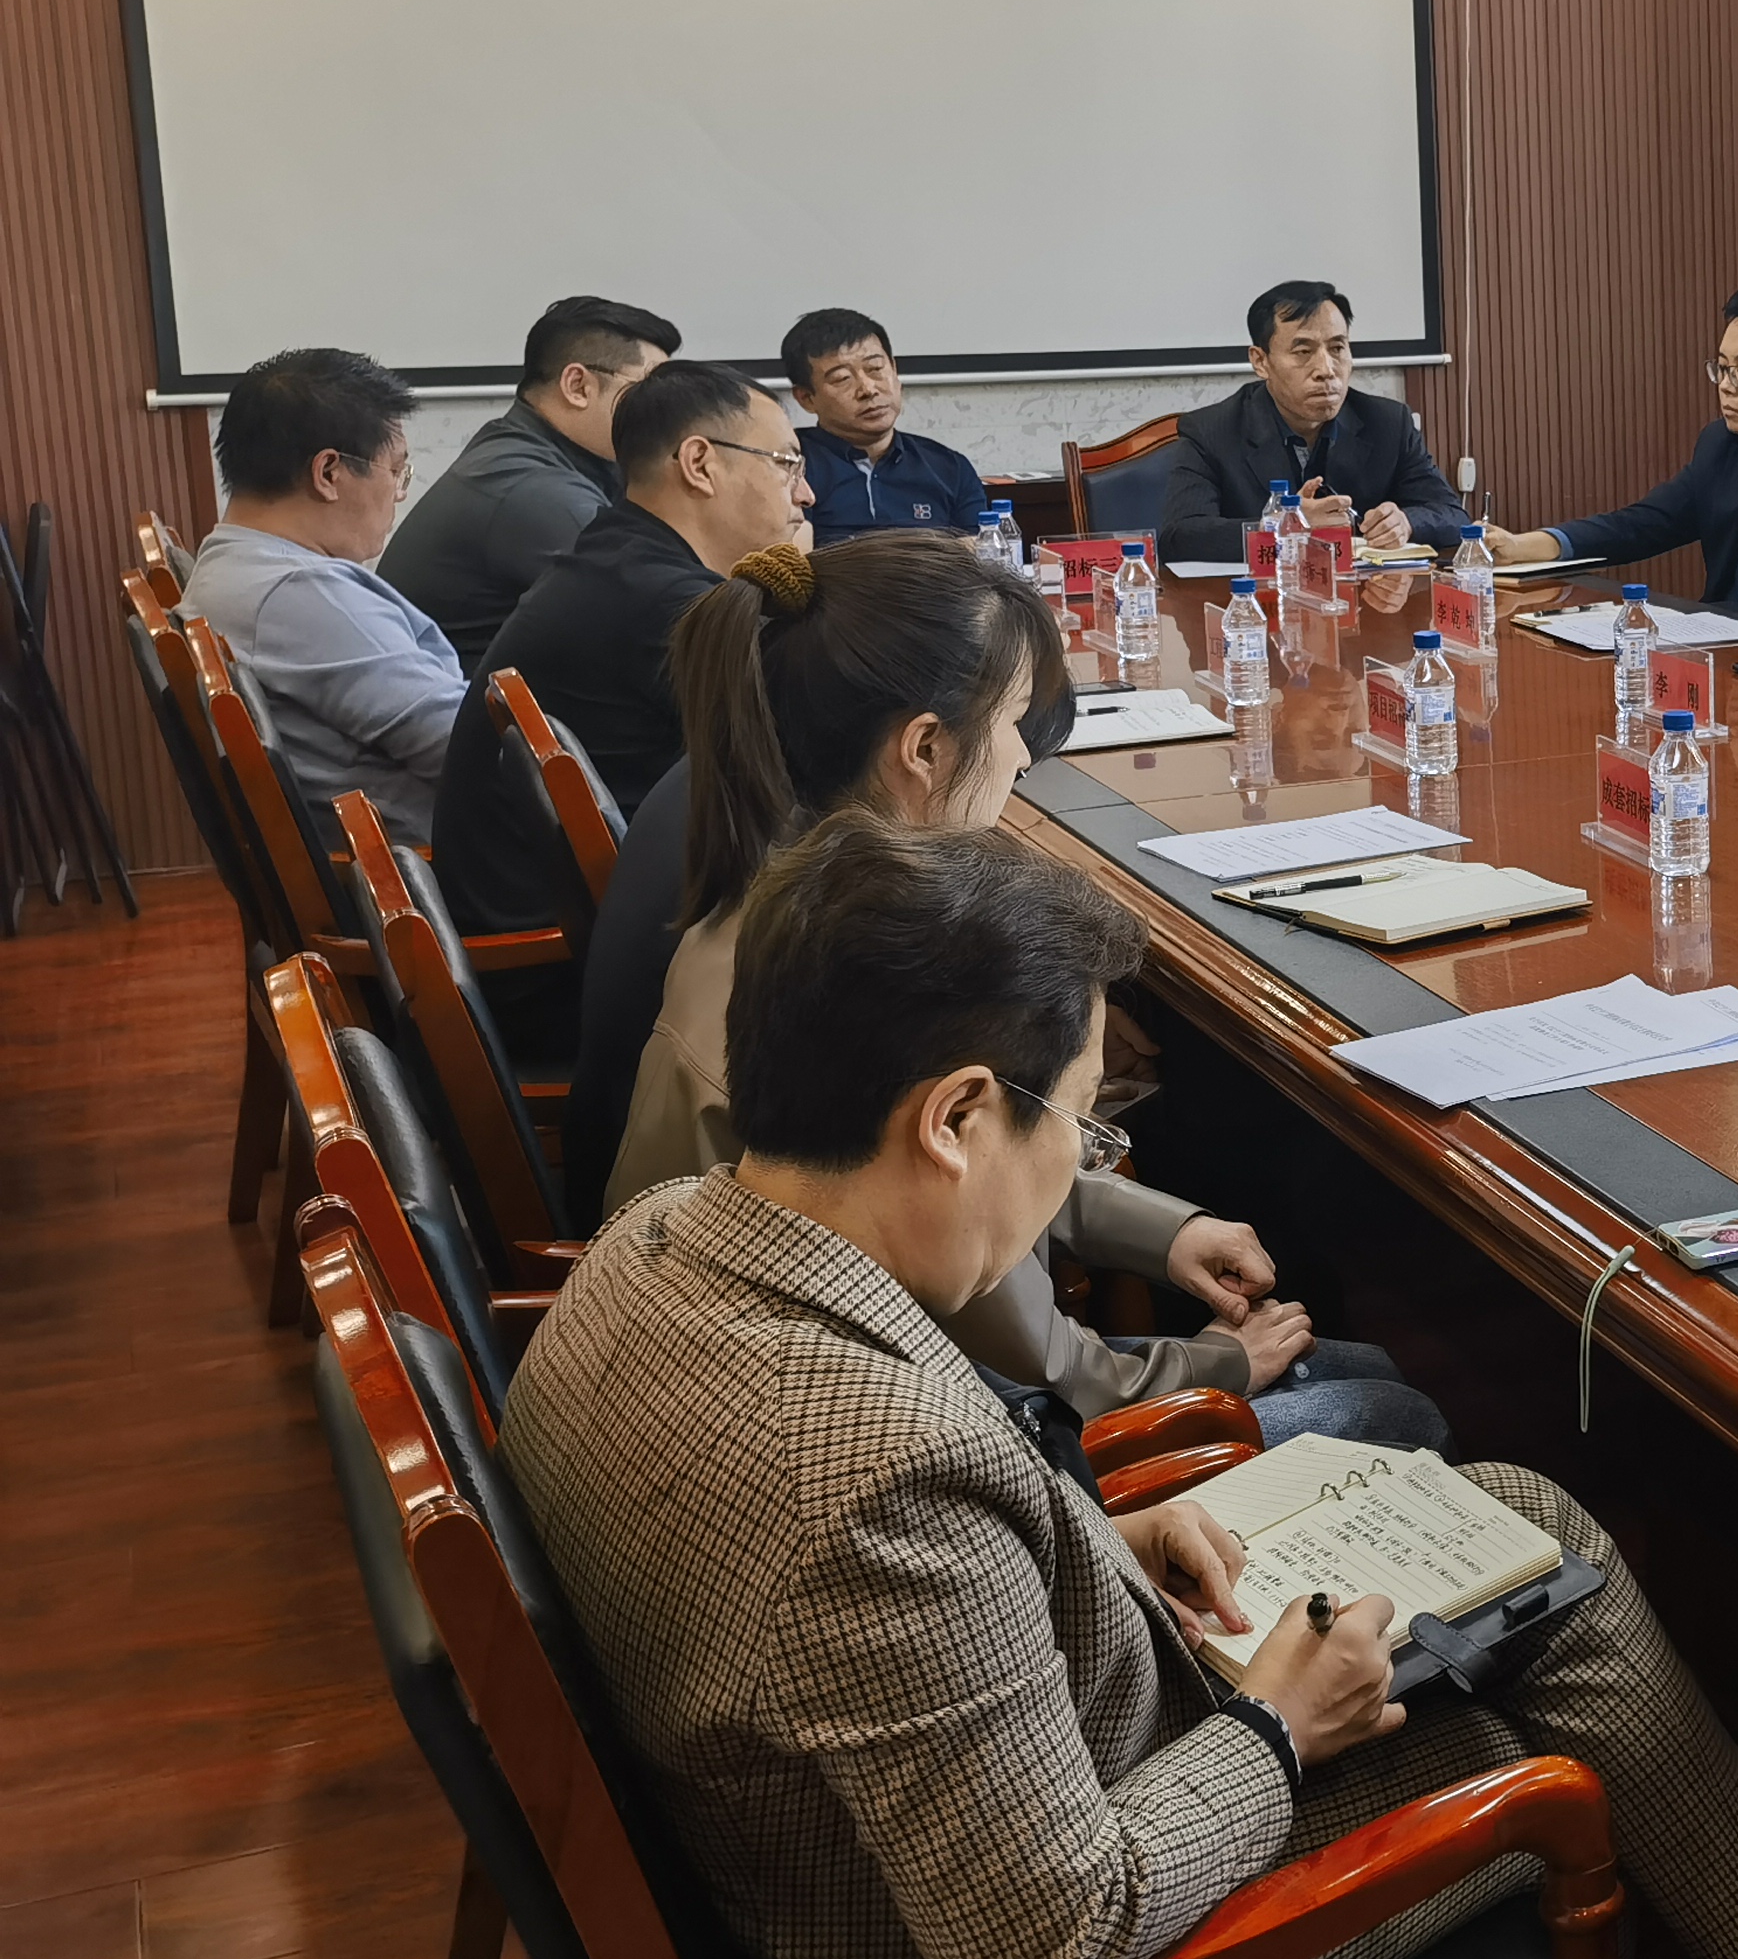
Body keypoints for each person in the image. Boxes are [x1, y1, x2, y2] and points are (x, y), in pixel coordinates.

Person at [503, 812, 1738, 1959]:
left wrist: (1092, 1538)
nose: (1075, 1176)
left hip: (955, 1827)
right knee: (1541, 1743)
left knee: (1519, 1532)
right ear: (957, 1118)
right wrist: (1279, 1728)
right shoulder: (866, 1475)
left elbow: (857, 1615)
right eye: (1079, 1126)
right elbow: (1051, 1948)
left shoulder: (657, 1247)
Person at [591, 535, 1439, 1454]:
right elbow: (1026, 1339)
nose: (1023, 757)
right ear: (924, 747)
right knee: (1390, 1407)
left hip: (752, 1353)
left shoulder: (790, 879)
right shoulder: (894, 974)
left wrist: (1162, 1231)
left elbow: (991, 1163)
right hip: (906, 1410)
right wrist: (1215, 1366)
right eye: (1010, 721)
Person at [432, 359, 812, 938]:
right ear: (700, 464)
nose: (805, 493)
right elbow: (815, 749)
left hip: (561, 928)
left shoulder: (618, 560)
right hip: (567, 957)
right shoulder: (667, 602)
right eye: (787, 463)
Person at [1480, 279, 1738, 627]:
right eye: (1722, 367)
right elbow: (1645, 524)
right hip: (1719, 643)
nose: (1726, 385)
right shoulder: (1721, 443)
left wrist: (1685, 619)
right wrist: (1527, 545)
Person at [184, 348, 465, 847]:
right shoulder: (300, 595)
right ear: (329, 473)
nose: (399, 493)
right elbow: (464, 746)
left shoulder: (231, 560)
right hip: (444, 861)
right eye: (396, 471)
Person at [381, 293, 679, 667]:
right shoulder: (527, 487)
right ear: (578, 386)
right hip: (464, 701)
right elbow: (669, 610)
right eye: (649, 390)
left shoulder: (563, 452)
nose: (669, 412)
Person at [1161, 280, 1465, 565]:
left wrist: (1407, 523)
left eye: (1337, 348)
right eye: (1303, 351)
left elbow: (1453, 515)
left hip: (1364, 596)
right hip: (1260, 598)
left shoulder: (1388, 423)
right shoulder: (1212, 431)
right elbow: (1179, 538)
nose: (1326, 369)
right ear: (1260, 361)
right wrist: (1282, 527)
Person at [782, 308, 988, 541]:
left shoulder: (949, 468)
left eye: (875, 369)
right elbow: (789, 557)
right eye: (842, 379)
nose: (868, 389)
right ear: (806, 398)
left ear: (894, 370)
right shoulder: (788, 468)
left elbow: (979, 553)